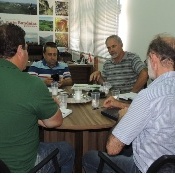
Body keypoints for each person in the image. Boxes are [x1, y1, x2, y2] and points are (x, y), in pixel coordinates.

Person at [83, 34, 175, 173]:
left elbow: (112, 149)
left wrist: (122, 118)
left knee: (89, 157)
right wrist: (123, 105)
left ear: (154, 58)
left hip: (147, 168)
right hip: (169, 164)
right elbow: (158, 109)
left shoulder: (148, 95)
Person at [0, 23, 75, 173]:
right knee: (67, 149)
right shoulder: (31, 83)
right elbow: (55, 121)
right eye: (27, 48)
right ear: (21, 50)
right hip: (21, 167)